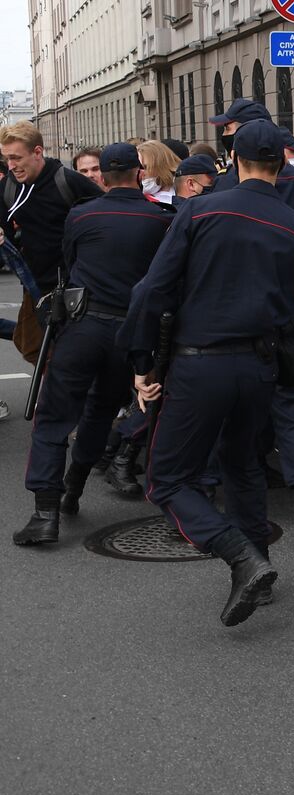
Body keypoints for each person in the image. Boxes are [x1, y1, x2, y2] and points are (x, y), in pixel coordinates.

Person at [120, 119, 294, 625]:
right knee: (244, 466)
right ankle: (257, 565)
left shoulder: (199, 211)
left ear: (233, 160)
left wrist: (142, 363)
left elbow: (151, 291)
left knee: (167, 480)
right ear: (282, 165)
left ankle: (240, 554)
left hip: (198, 365)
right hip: (261, 366)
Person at [13, 144, 174, 546]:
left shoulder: (81, 215)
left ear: (101, 174)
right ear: (139, 172)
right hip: (130, 332)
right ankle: (73, 487)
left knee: (53, 417)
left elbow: (68, 263)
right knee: (101, 413)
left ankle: (45, 512)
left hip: (84, 326)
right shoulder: (159, 219)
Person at [1, 121, 105, 364]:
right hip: (35, 286)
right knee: (30, 347)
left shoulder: (68, 181)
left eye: (16, 157)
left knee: (69, 353)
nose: (11, 165)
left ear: (38, 152)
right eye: (6, 158)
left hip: (76, 285)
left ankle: (55, 398)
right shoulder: (8, 187)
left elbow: (105, 219)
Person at [137, 140, 180, 205]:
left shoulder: (184, 193)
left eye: (145, 167)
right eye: (138, 168)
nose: (141, 173)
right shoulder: (135, 199)